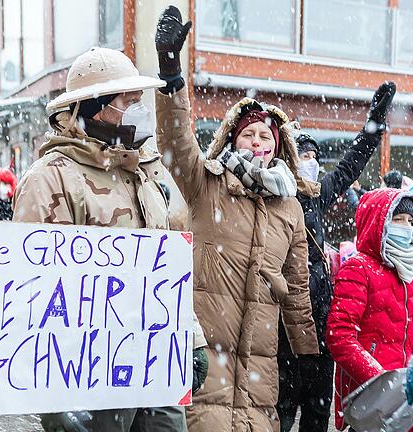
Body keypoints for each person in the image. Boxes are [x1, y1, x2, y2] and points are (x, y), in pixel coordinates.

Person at [12, 46, 207, 432]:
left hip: (152, 359)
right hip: (89, 371)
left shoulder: (143, 173)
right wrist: (52, 399)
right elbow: (33, 290)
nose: (138, 108)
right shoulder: (51, 178)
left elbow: (164, 272)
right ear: (95, 106)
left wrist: (191, 337)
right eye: (128, 100)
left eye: (140, 100)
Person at [154, 6, 319, 431]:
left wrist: (307, 357)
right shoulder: (204, 182)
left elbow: (298, 288)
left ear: (278, 148)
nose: (258, 142)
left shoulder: (291, 208)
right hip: (204, 363)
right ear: (231, 136)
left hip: (259, 379)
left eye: (266, 136)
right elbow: (175, 139)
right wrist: (171, 72)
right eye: (249, 133)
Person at [277, 83, 396, 432]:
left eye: (314, 155)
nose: (310, 162)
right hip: (285, 322)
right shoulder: (273, 198)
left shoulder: (316, 196)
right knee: (282, 411)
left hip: (321, 317)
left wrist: (374, 125)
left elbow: (349, 167)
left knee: (317, 413)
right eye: (303, 155)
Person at [326, 189, 413, 431]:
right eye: (398, 219)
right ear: (379, 221)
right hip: (370, 398)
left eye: (410, 221)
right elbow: (340, 335)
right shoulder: (358, 268)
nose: (406, 226)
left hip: (407, 401)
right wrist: (381, 381)